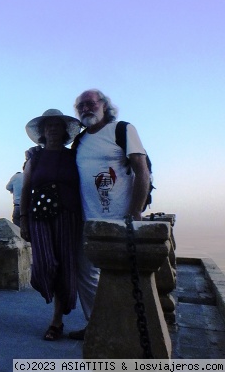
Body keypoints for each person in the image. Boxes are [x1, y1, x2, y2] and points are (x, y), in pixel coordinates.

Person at [68, 89, 150, 341]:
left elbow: (142, 170)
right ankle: (95, 325)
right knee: (86, 275)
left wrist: (135, 211)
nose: (85, 109)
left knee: (123, 276)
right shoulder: (79, 141)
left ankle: (128, 330)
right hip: (88, 221)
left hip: (120, 220)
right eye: (80, 106)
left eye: (90, 103)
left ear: (104, 105)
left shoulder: (122, 130)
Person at [19, 109, 82, 341]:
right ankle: (56, 296)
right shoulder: (34, 158)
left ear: (64, 131)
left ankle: (56, 320)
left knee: (66, 265)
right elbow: (26, 189)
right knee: (46, 263)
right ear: (43, 132)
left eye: (57, 125)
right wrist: (23, 219)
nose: (53, 129)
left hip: (68, 215)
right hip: (40, 216)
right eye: (49, 126)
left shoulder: (73, 156)